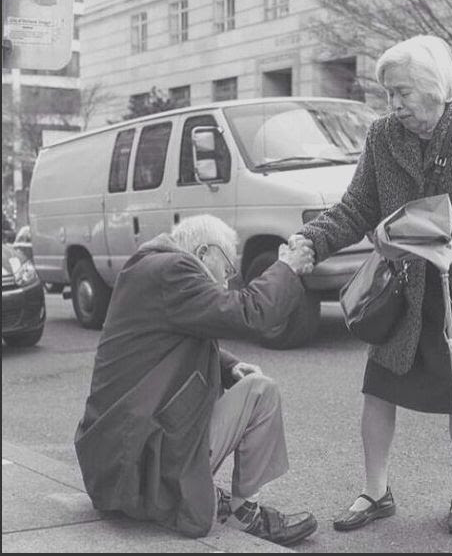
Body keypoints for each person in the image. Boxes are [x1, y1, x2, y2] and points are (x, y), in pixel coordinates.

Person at [290, 35, 452, 535]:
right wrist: (311, 241)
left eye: (400, 92)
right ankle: (375, 492)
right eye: (388, 94)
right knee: (378, 390)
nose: (392, 104)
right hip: (401, 292)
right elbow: (357, 207)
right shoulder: (383, 136)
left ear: (434, 88)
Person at [74, 214, 317, 546]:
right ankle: (245, 513)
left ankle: (204, 492)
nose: (227, 282)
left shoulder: (148, 269)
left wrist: (228, 366)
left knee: (245, 384)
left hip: (113, 467)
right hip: (137, 471)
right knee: (262, 392)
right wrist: (286, 268)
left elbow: (162, 340)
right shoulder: (175, 271)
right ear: (204, 253)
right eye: (227, 270)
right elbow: (252, 313)